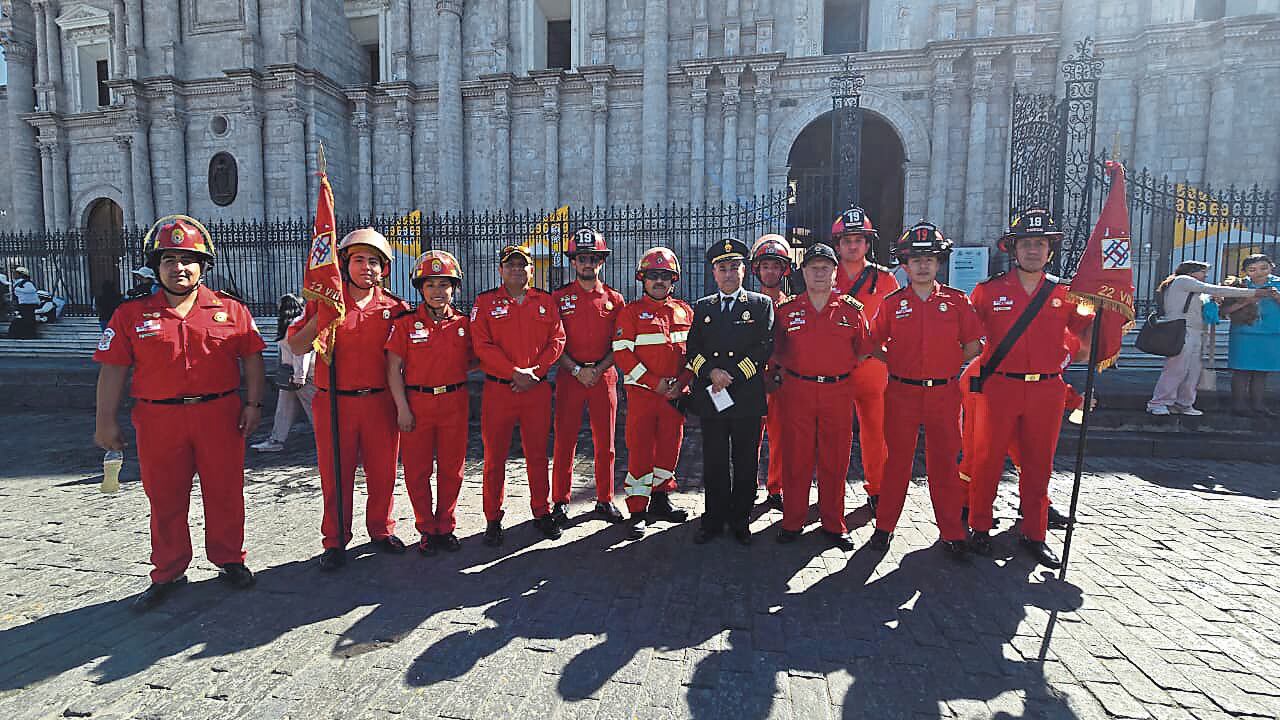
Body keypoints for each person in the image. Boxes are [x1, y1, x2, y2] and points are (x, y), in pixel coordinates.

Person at [92, 214, 266, 611]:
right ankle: (168, 570)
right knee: (165, 497)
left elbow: (253, 360)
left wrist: (254, 404)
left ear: (203, 266)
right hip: (158, 420)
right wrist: (105, 422)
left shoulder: (231, 310)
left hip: (219, 415)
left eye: (188, 259)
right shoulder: (130, 315)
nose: (179, 268)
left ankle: (229, 558)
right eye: (169, 260)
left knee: (225, 492)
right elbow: (113, 369)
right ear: (156, 267)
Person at [967, 209, 1093, 568]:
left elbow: (1088, 332)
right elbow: (969, 334)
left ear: (1049, 251)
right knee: (988, 460)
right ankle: (979, 526)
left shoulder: (1067, 293)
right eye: (1026, 244)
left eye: (1040, 244)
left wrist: (1110, 320)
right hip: (1000, 387)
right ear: (1014, 249)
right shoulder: (988, 291)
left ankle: (1035, 533)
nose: (1033, 250)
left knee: (1039, 465)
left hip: (1046, 390)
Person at [287, 228, 410, 571]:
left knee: (383, 471)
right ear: (344, 264)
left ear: (384, 269)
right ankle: (335, 539)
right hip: (334, 403)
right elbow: (296, 345)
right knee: (335, 472)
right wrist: (323, 315)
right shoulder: (322, 301)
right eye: (359, 260)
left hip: (379, 402)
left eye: (374, 262)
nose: (367, 268)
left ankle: (381, 530)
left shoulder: (396, 308)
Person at [866, 222, 981, 556]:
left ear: (939, 262)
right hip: (901, 393)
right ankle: (884, 527)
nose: (923, 264)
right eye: (915, 259)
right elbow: (873, 343)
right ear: (904, 264)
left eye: (929, 258)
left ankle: (951, 533)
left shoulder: (958, 302)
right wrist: (896, 360)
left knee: (944, 465)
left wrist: (946, 363)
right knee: (896, 464)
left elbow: (973, 345)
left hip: (943, 394)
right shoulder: (891, 303)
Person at [770, 243, 868, 550]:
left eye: (825, 268)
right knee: (796, 458)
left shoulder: (851, 311)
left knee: (835, 460)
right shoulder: (787, 312)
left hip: (837, 393)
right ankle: (792, 520)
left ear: (835, 272)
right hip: (796, 392)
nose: (819, 273)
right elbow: (776, 354)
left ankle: (832, 523)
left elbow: (863, 351)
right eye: (813, 268)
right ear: (803, 272)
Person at [471, 244, 567, 546]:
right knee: (494, 457)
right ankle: (492, 518)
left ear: (531, 270)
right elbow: (481, 344)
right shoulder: (485, 302)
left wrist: (535, 373)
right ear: (500, 270)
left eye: (521, 265)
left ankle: (541, 512)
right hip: (499, 391)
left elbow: (558, 339)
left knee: (537, 455)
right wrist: (514, 372)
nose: (516, 269)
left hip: (535, 391)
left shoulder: (546, 302)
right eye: (509, 265)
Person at [684, 237, 775, 545]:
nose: (728, 273)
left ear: (744, 271)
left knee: (747, 461)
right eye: (722, 268)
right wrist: (711, 372)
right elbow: (692, 348)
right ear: (714, 273)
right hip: (713, 396)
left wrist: (732, 375)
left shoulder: (760, 305)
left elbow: (765, 347)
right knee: (714, 460)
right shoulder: (704, 307)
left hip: (745, 397)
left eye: (734, 267)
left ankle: (740, 520)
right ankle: (713, 519)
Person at [386, 250, 473, 555]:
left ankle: (446, 525)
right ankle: (426, 527)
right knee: (417, 470)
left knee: (453, 469)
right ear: (420, 288)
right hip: (418, 404)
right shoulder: (405, 323)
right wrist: (402, 408)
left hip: (455, 403)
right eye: (430, 285)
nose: (438, 291)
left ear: (454, 288)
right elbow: (392, 368)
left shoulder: (465, 324)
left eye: (444, 285)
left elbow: (474, 360)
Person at [612, 247, 694, 539]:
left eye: (665, 276)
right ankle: (637, 510)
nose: (659, 281)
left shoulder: (685, 311)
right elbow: (623, 355)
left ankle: (661, 500)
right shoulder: (630, 313)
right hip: (644, 397)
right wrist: (653, 382)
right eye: (653, 276)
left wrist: (681, 382)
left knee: (670, 451)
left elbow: (695, 355)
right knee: (640, 452)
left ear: (673, 280)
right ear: (642, 279)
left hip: (675, 397)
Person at [551, 227, 626, 525]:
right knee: (564, 440)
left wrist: (598, 369)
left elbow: (619, 344)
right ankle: (560, 500)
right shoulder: (558, 298)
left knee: (605, 443)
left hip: (603, 375)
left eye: (593, 258)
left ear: (601, 262)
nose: (587, 264)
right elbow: (554, 342)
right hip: (570, 376)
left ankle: (605, 499)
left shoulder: (615, 300)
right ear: (573, 262)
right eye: (582, 258)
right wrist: (576, 369)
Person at [830, 207, 899, 517]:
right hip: (838, 369)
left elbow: (895, 325)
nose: (853, 246)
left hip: (873, 367)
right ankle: (832, 494)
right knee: (835, 436)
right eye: (847, 240)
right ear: (837, 245)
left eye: (859, 240)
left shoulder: (885, 279)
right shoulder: (825, 275)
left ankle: (878, 488)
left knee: (876, 432)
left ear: (868, 244)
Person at [1146, 260, 1266, 417]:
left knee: (1193, 371)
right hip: (1182, 330)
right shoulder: (1183, 280)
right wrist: (1253, 293)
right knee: (1176, 369)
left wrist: (1211, 302)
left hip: (1195, 331)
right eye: (1203, 272)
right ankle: (1158, 403)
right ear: (1191, 271)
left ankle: (1184, 403)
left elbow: (1203, 304)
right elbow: (1213, 289)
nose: (1206, 275)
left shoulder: (1192, 288)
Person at [749, 234, 793, 511]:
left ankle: (775, 488)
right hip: (752, 381)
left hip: (781, 382)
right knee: (750, 437)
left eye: (775, 266)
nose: (770, 271)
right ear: (757, 269)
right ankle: (748, 485)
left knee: (780, 439)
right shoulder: (747, 304)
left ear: (784, 270)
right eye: (765, 266)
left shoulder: (793, 306)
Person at [251, 294, 315, 453]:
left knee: (314, 409)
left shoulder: (296, 325)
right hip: (291, 374)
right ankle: (276, 439)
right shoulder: (292, 324)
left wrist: (300, 376)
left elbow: (301, 352)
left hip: (300, 376)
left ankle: (329, 438)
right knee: (284, 408)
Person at [1220, 254, 1280, 417]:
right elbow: (1224, 311)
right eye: (1252, 270)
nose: (1259, 273)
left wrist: (1277, 297)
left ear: (1271, 267)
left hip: (1271, 333)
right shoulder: (1239, 285)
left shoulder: (1278, 284)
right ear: (1245, 271)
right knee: (1241, 371)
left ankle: (1259, 405)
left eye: (1263, 268)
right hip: (1244, 333)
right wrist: (1248, 300)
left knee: (1262, 371)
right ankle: (1238, 405)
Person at [10, 266, 40, 338]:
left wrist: (18, 289)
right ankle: (25, 334)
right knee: (26, 319)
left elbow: (32, 290)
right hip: (23, 303)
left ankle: (30, 334)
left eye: (16, 273)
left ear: (21, 274)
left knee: (28, 319)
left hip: (28, 304)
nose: (13, 275)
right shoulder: (18, 282)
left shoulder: (26, 282)